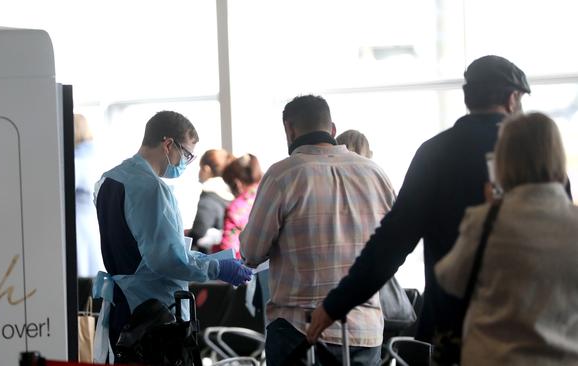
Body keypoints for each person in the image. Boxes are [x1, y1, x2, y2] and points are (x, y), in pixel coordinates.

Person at [306, 55, 539, 351]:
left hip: (453, 327)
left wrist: (336, 304)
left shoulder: (436, 153)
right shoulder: (536, 158)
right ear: (512, 99)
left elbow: (393, 241)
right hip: (524, 326)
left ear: (468, 98)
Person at [240, 95, 396, 365]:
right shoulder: (375, 174)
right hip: (364, 329)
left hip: (299, 331)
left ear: (289, 129)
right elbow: (395, 245)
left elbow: (251, 252)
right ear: (332, 129)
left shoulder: (283, 175)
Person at [93, 111, 252, 356]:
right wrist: (215, 268)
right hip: (151, 313)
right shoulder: (151, 188)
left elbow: (150, 249)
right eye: (186, 155)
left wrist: (202, 260)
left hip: (123, 307)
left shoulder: (109, 180)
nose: (186, 164)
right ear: (168, 144)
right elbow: (166, 260)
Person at [434, 112, 578, 365]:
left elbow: (451, 280)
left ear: (503, 159)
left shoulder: (485, 221)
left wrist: (491, 209)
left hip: (495, 357)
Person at [213, 153, 262, 259]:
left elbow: (228, 249)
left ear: (237, 183)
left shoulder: (237, 208)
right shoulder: (270, 194)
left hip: (247, 269)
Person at [74, 114, 105, 278]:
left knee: (81, 273)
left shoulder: (77, 161)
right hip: (93, 222)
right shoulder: (96, 156)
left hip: (78, 224)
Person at [187, 149, 235, 251]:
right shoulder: (231, 194)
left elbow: (198, 232)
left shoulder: (209, 197)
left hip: (211, 258)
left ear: (206, 169)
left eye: (200, 168)